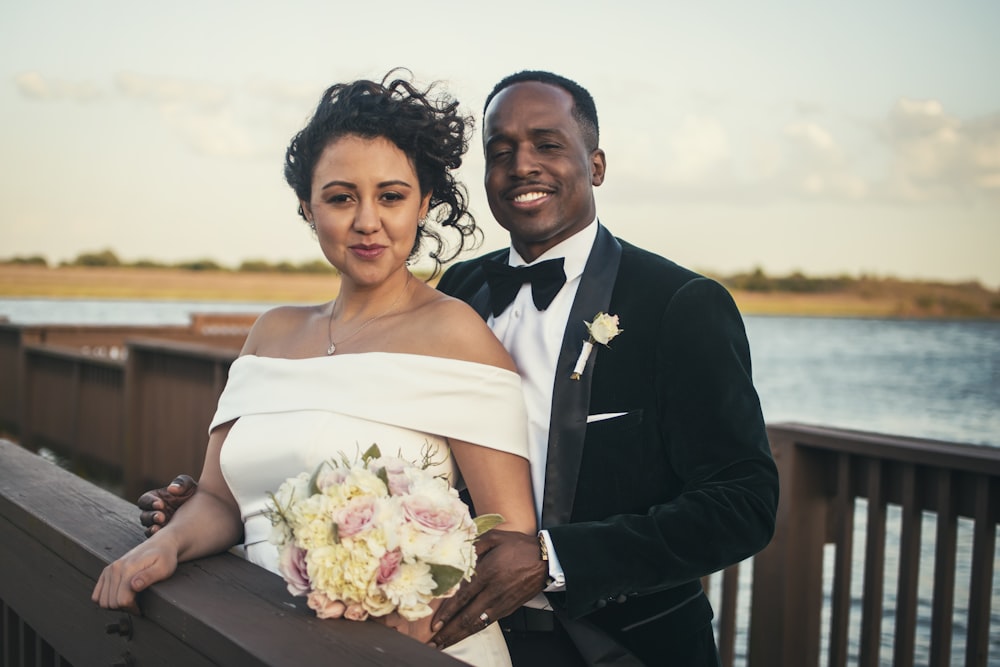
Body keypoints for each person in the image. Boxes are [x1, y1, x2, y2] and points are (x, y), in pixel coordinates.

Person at [140, 70, 780, 666]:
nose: (521, 163)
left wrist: (554, 559)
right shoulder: (459, 296)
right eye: (500, 151)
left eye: (547, 144)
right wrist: (229, 505)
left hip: (620, 644)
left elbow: (743, 501)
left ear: (597, 164)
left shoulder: (678, 305)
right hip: (452, 636)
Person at [93, 72, 538, 667]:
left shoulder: (457, 336)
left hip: (406, 649)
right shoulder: (271, 332)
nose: (367, 221)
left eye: (391, 195)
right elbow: (221, 502)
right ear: (308, 208)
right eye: (340, 197)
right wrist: (167, 546)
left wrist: (393, 629)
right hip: (258, 638)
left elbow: (508, 545)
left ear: (424, 203)